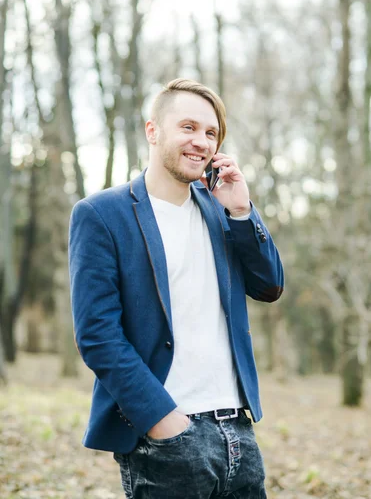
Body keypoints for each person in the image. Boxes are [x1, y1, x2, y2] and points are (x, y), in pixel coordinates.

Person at [69, 78, 284, 499]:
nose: (201, 141)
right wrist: (163, 421)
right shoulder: (100, 214)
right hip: (167, 436)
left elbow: (270, 286)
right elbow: (97, 335)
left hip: (238, 430)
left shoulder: (222, 210)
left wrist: (242, 212)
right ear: (153, 131)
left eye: (211, 133)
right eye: (188, 127)